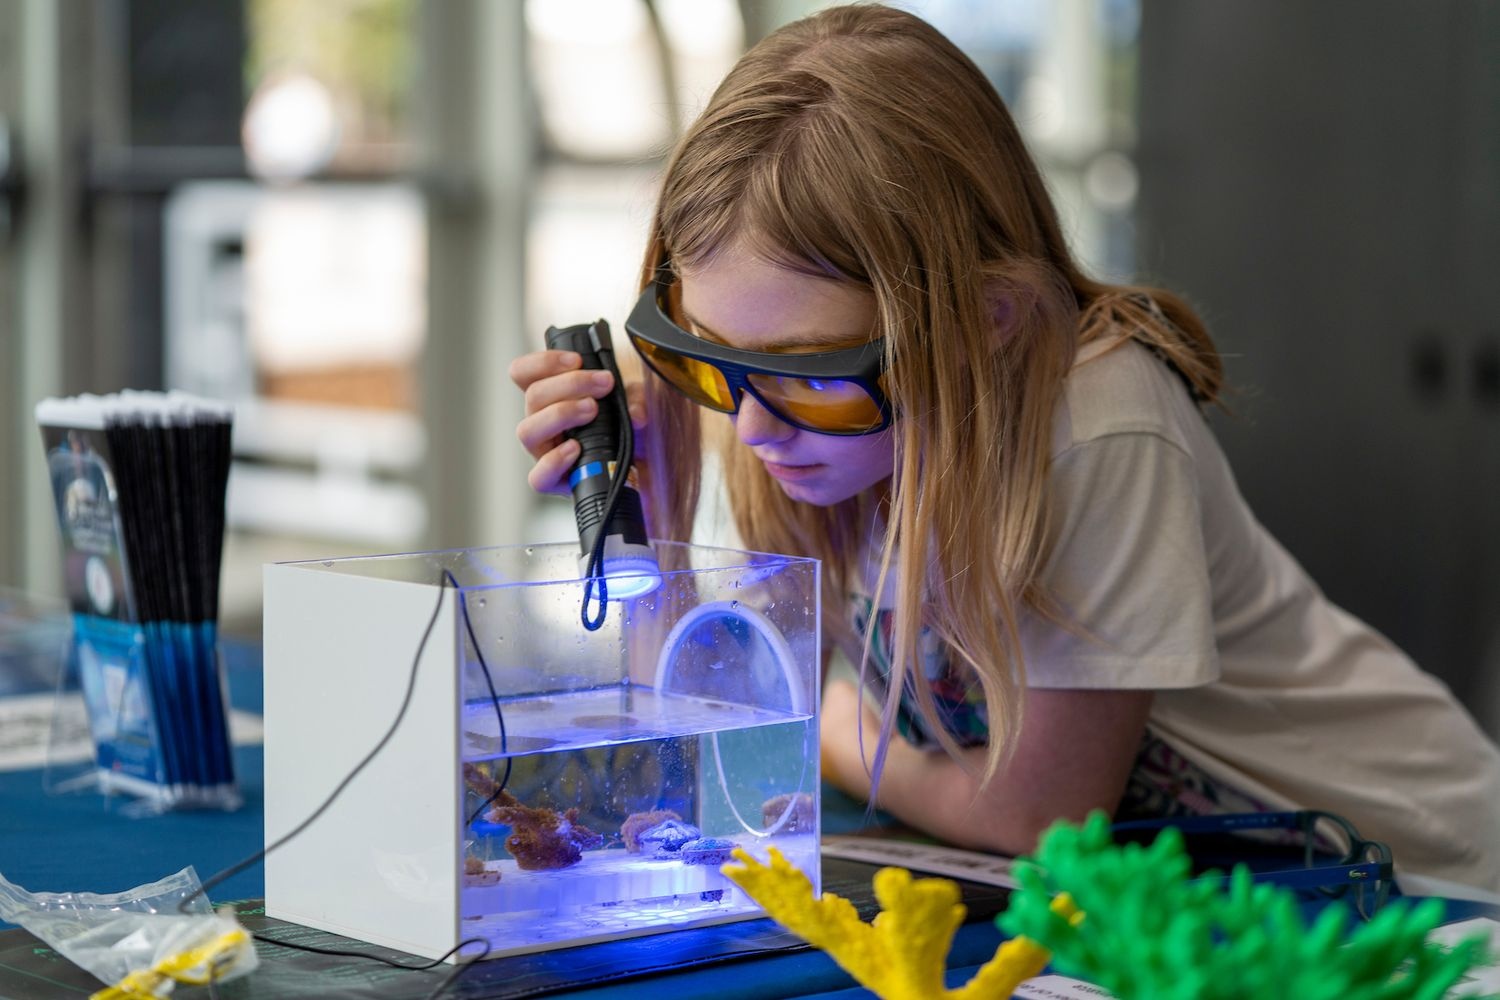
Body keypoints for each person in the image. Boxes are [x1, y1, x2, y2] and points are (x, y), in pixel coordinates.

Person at [510, 3, 1500, 894]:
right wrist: (653, 512)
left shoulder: (1097, 419)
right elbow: (708, 734)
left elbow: (1040, 818)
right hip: (1209, 886)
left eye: (809, 371)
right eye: (711, 361)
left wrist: (832, 729)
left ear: (984, 316)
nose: (757, 426)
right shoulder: (834, 439)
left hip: (1418, 877)